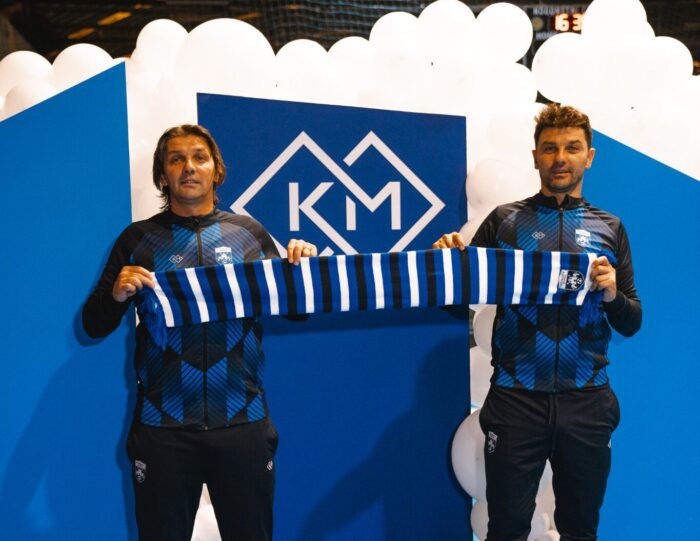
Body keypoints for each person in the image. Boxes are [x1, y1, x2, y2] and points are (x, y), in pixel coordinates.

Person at [82, 124, 317, 541]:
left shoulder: (248, 234)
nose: (188, 167)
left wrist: (302, 268)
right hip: (163, 429)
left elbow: (298, 310)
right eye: (176, 160)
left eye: (199, 158)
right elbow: (93, 323)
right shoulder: (137, 239)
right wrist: (116, 295)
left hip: (242, 423)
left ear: (216, 171)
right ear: (163, 176)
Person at [434, 104, 641, 541]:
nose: (560, 158)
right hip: (515, 401)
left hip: (587, 402)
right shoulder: (505, 222)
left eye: (571, 148)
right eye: (550, 148)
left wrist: (612, 295)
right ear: (535, 157)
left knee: (580, 530)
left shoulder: (610, 228)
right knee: (506, 529)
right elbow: (458, 304)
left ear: (589, 156)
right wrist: (449, 265)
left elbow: (632, 321)